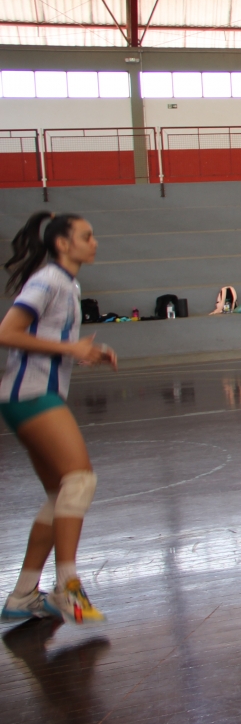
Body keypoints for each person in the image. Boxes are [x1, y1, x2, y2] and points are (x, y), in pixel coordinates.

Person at [1, 212, 117, 625]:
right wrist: (71, 350)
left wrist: (89, 351)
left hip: (33, 393)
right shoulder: (48, 280)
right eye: (87, 236)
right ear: (63, 244)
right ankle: (67, 588)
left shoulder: (67, 284)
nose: (95, 242)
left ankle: (22, 595)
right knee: (80, 479)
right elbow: (6, 332)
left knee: (60, 494)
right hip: (29, 394)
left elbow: (50, 340)